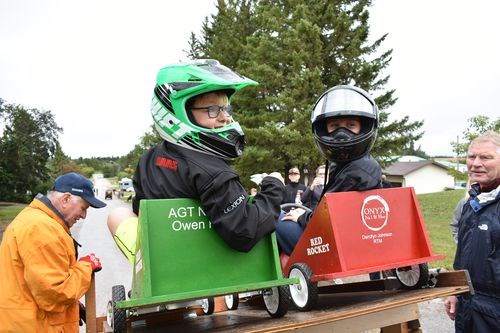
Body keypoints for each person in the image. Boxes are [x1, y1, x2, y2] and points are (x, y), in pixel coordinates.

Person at [107, 59, 285, 264]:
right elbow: (244, 232)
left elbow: (140, 211)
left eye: (226, 108)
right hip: (207, 268)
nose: (225, 118)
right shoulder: (213, 172)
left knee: (118, 214)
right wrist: (274, 186)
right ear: (179, 112)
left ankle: (144, 269)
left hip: (162, 264)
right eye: (212, 110)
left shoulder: (148, 160)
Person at [276, 85, 381, 256]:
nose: (341, 133)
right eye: (335, 126)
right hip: (348, 239)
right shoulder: (361, 165)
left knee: (273, 216)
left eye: (350, 125)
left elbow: (332, 221)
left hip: (332, 246)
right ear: (325, 129)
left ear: (363, 128)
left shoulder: (355, 173)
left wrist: (302, 217)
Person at [0, 172, 106, 333]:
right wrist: (86, 266)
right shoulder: (41, 229)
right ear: (66, 199)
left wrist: (72, 305)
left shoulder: (37, 221)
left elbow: (37, 283)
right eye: (83, 208)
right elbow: (55, 294)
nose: (84, 215)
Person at [444, 131, 500, 332]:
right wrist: (455, 292)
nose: (476, 163)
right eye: (471, 156)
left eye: (486, 157)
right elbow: (462, 256)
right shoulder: (471, 204)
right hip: (468, 308)